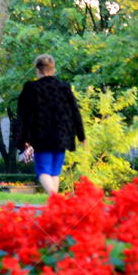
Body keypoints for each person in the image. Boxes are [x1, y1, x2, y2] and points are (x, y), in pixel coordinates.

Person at [16, 54, 86, 195]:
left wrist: (22, 139)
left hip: (41, 136)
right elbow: (75, 112)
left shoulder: (31, 88)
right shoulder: (64, 87)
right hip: (62, 136)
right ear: (53, 69)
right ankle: (55, 205)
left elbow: (24, 116)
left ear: (38, 70)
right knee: (54, 172)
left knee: (43, 170)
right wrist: (81, 136)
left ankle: (55, 199)